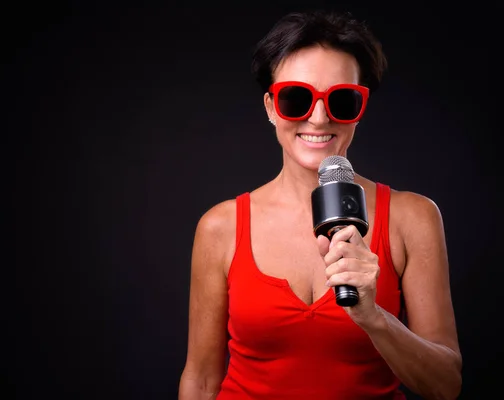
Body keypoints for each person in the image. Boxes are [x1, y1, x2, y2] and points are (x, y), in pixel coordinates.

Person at [177, 8, 463, 400]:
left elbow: (446, 386)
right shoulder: (220, 227)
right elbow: (202, 380)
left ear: (360, 112)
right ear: (271, 108)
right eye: (296, 98)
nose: (318, 117)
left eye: (342, 101)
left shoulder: (412, 218)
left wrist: (372, 316)